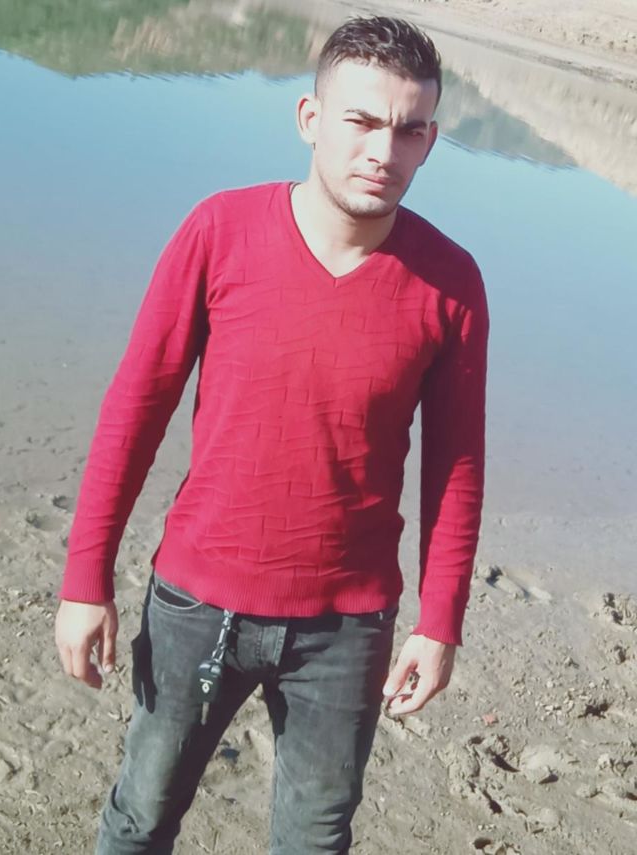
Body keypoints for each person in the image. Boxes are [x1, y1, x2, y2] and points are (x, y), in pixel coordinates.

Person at [55, 15, 488, 855]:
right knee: (140, 815)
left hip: (346, 628)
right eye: (362, 120)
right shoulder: (219, 231)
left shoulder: (451, 282)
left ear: (430, 141)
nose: (383, 150)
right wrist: (84, 577)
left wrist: (440, 621)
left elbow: (456, 468)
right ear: (310, 119)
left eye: (409, 129)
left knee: (315, 839)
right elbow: (135, 409)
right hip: (195, 602)